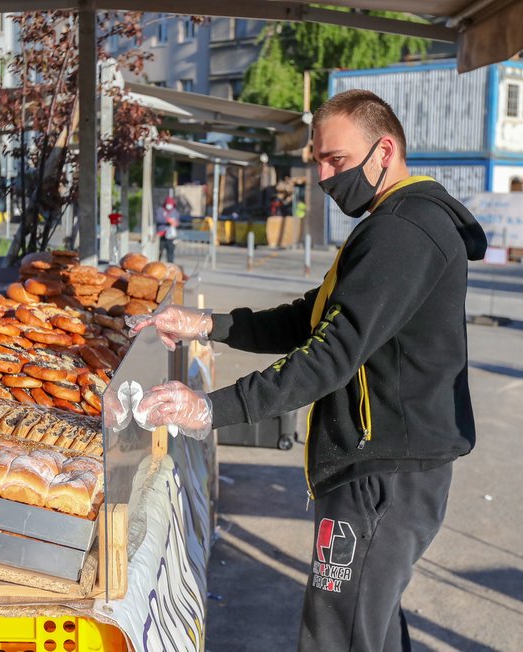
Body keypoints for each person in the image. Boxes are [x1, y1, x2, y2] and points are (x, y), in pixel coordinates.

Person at [132, 89, 487, 651]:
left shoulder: (405, 230)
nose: (324, 176)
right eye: (318, 161)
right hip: (381, 463)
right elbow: (313, 318)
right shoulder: (389, 221)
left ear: (385, 149)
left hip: (382, 469)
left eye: (336, 161)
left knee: (338, 635)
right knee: (366, 625)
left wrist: (210, 408)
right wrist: (209, 324)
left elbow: (332, 353)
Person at [155, 196, 180, 263]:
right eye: (168, 204)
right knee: (158, 253)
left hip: (171, 237)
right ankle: (156, 265)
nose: (169, 206)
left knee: (170, 254)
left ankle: (170, 267)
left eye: (170, 204)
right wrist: (167, 220)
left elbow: (177, 221)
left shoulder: (175, 212)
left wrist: (175, 223)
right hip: (161, 235)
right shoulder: (160, 210)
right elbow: (158, 219)